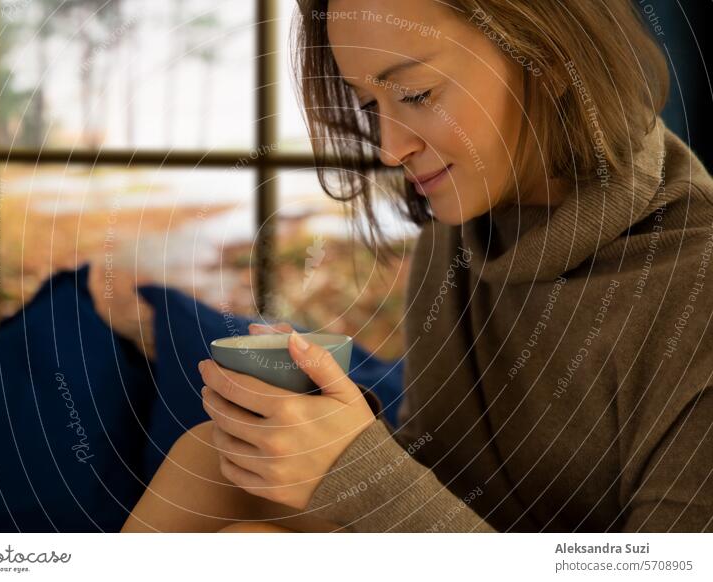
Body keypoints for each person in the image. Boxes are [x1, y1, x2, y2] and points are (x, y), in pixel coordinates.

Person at [122, 0, 713, 532]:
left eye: (415, 95)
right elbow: (450, 480)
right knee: (214, 460)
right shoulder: (453, 236)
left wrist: (357, 469)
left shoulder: (697, 282)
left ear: (552, 56)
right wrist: (331, 434)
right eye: (369, 104)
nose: (388, 146)